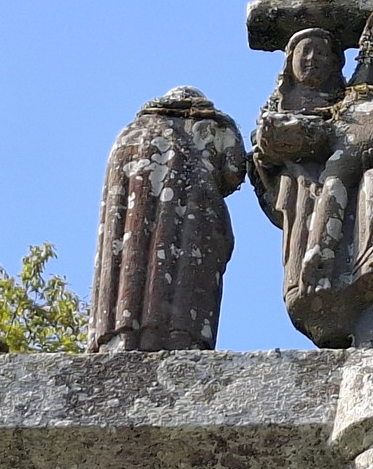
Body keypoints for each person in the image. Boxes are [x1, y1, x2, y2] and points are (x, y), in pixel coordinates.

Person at [89, 87, 246, 352]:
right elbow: (233, 172)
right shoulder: (213, 130)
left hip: (119, 312)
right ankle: (177, 338)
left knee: (129, 260)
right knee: (186, 270)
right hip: (192, 231)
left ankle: (120, 336)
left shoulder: (129, 134)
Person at [251, 29, 345, 305]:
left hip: (333, 175)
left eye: (321, 53)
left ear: (333, 63)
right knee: (302, 212)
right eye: (305, 51)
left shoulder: (344, 102)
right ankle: (299, 279)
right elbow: (260, 148)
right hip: (293, 182)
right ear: (290, 59)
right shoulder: (277, 104)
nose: (312, 58)